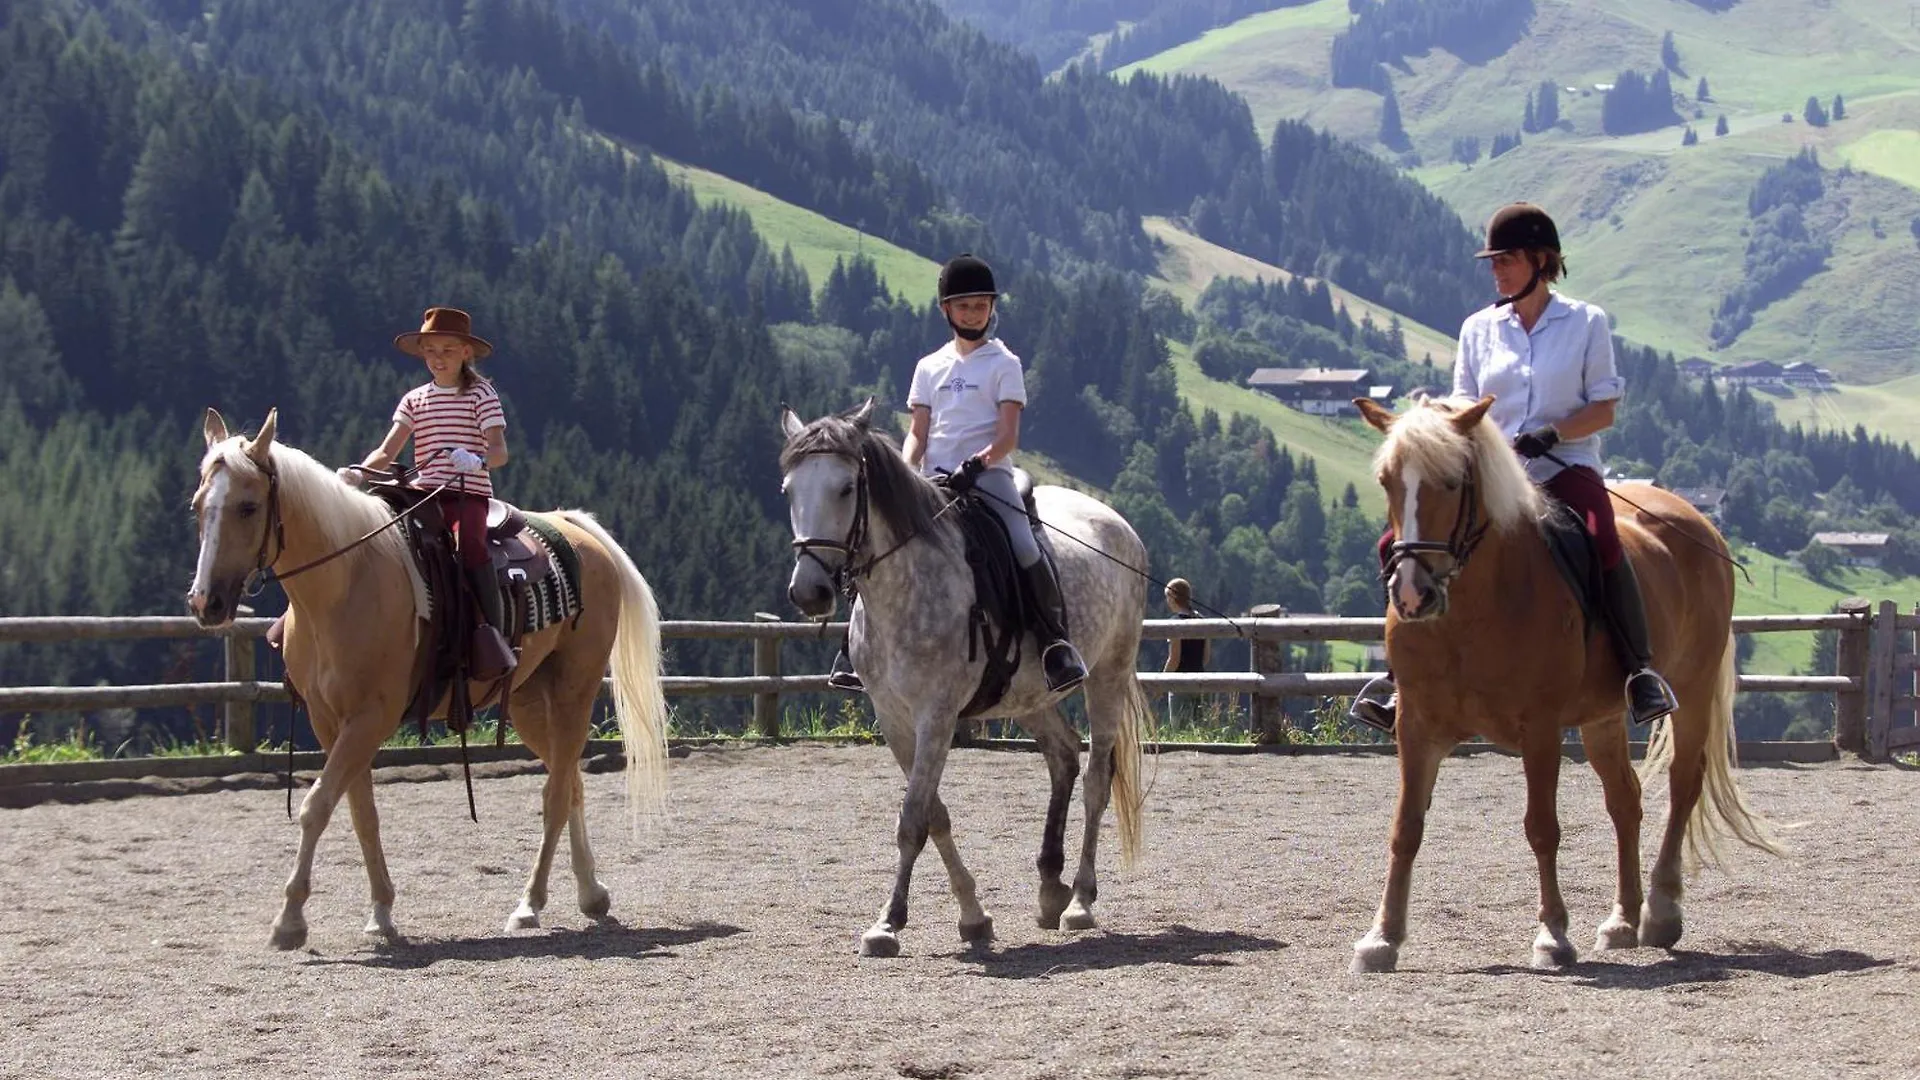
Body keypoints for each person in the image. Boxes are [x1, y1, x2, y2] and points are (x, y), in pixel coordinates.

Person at [1349, 203, 1679, 732]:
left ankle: (1638, 671)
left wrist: (1553, 432)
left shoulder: (1586, 322)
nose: (1496, 269)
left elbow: (1604, 408)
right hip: (1492, 472)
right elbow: (1461, 404)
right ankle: (1399, 676)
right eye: (1494, 260)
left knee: (1600, 530)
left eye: (1507, 259)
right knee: (1395, 543)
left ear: (1540, 260)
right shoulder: (1478, 328)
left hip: (1563, 463)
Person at [827, 254, 1089, 695]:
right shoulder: (929, 367)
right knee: (876, 543)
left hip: (988, 477)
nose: (973, 314)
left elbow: (1008, 436)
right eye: (964, 306)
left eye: (980, 306)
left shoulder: (1004, 364)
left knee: (1024, 545)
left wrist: (977, 465)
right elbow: (918, 432)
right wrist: (907, 471)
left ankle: (1054, 644)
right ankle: (854, 650)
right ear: (946, 310)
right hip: (933, 481)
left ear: (991, 308)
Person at [342, 307, 515, 673]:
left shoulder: (482, 394)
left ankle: (490, 632)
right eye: (431, 351)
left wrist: (478, 460)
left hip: (467, 493)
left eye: (448, 350)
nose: (438, 359)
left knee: (469, 545)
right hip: (423, 491)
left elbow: (500, 451)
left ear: (466, 352)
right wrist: (359, 473)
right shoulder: (414, 399)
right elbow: (388, 451)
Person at [1162, 578, 1211, 726]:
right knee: (1199, 727)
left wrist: (1161, 681)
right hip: (1199, 679)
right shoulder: (1202, 620)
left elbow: (1174, 658)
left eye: (1167, 597)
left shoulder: (1174, 623)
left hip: (1179, 683)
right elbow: (1206, 656)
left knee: (1180, 728)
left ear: (1173, 597)